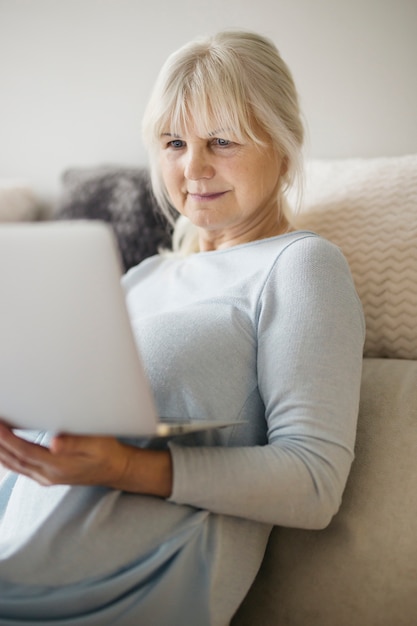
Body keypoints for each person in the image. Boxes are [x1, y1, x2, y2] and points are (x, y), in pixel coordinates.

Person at [0, 30, 365, 626]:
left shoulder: (299, 265)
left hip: (116, 596)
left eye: (221, 140)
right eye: (174, 142)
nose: (193, 167)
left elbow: (314, 481)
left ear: (283, 143)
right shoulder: (140, 277)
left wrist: (124, 467)